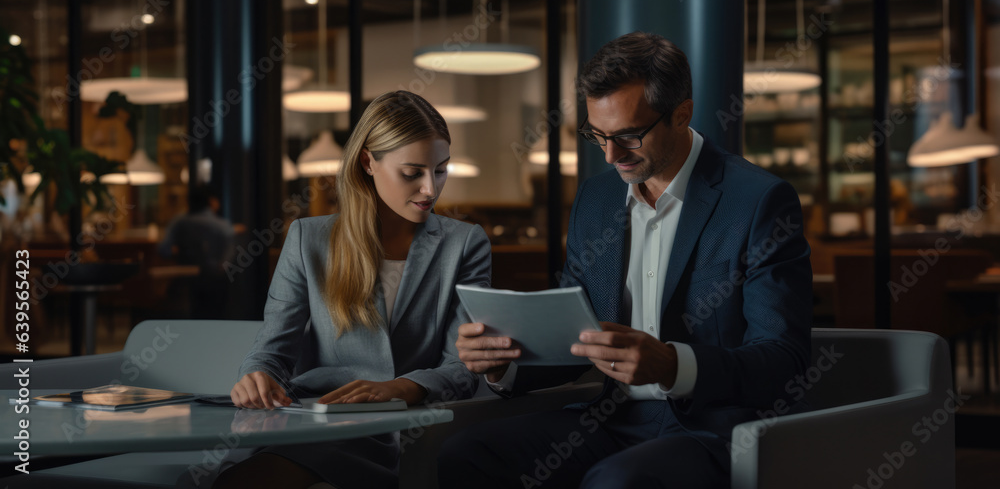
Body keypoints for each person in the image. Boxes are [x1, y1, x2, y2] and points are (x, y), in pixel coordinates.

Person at [439, 32, 812, 488]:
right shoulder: (596, 200)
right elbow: (579, 339)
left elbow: (785, 361)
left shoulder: (757, 200)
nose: (611, 156)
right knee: (466, 454)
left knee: (616, 481)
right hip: (610, 418)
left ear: (682, 114)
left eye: (628, 136)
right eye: (598, 135)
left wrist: (674, 365)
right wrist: (504, 364)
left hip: (710, 429)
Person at [214, 90, 490, 489]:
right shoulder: (309, 238)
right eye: (412, 173)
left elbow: (463, 366)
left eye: (441, 170)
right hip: (320, 418)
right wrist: (257, 374)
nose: (430, 189)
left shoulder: (465, 244)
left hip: (406, 426)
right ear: (368, 162)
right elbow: (273, 347)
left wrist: (400, 388)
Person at [158, 185, 235, 319]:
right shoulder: (222, 225)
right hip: (214, 281)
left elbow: (163, 249)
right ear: (211, 202)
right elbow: (228, 256)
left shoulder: (179, 222)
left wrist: (177, 253)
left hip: (185, 282)